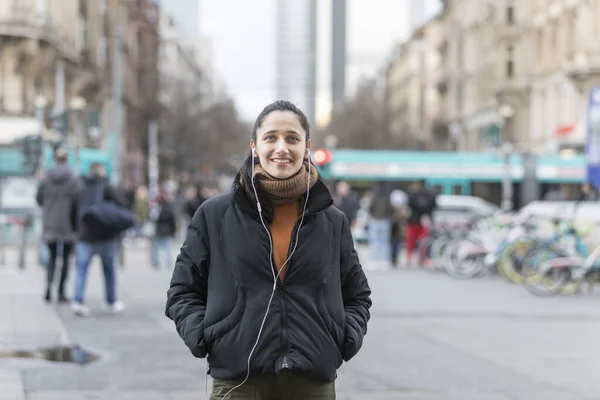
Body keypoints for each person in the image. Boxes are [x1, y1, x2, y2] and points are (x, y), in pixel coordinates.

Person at [165, 100, 372, 400]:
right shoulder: (215, 214)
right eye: (271, 137)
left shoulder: (331, 220)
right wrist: (204, 337)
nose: (281, 148)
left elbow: (357, 295)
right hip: (238, 381)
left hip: (312, 382)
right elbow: (182, 290)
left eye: (292, 138)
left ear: (307, 145)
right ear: (254, 145)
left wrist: (345, 338)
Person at [71, 163, 128, 317]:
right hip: (106, 236)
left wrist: (76, 230)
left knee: (81, 270)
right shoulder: (108, 187)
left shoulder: (80, 188)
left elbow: (73, 210)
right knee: (109, 270)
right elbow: (121, 207)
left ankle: (78, 301)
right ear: (102, 173)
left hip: (85, 236)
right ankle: (111, 301)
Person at [36, 147, 80, 303]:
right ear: (66, 159)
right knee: (66, 259)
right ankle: (61, 291)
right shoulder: (73, 179)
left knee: (52, 258)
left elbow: (39, 199)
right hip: (68, 225)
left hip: (50, 224)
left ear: (55, 159)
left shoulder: (46, 178)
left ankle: (48, 287)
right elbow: (78, 202)